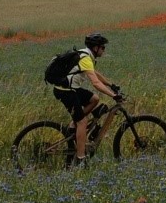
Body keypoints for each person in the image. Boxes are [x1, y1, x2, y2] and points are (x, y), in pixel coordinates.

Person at [51, 33, 121, 165]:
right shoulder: (85, 58)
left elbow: (95, 74)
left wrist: (111, 85)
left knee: (94, 99)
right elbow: (95, 82)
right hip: (65, 91)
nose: (104, 50)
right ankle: (80, 159)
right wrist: (113, 95)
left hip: (72, 88)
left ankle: (73, 126)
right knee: (83, 122)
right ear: (95, 48)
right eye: (103, 48)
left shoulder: (86, 55)